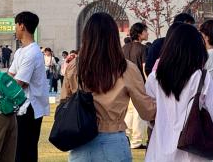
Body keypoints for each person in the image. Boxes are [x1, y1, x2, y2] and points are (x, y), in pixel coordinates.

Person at [61, 12, 156, 161]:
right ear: (113, 36)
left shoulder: (74, 67)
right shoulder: (125, 68)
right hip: (113, 140)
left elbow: (64, 103)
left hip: (80, 141)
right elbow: (147, 111)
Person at [145, 23, 213, 162]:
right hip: (194, 153)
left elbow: (148, 114)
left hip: (159, 152)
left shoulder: (153, 78)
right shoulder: (202, 78)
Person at [8, 11, 50, 162]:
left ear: (22, 26)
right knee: (18, 150)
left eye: (16, 26)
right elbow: (10, 75)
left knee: (25, 151)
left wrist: (3, 86)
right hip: (20, 106)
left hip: (29, 107)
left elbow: (19, 83)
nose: (15, 29)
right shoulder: (20, 51)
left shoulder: (33, 52)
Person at [124, 22, 149, 149]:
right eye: (145, 31)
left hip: (123, 83)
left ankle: (125, 136)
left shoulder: (124, 48)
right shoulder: (143, 49)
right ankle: (137, 141)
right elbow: (144, 68)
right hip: (138, 84)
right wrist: (148, 83)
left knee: (128, 111)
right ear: (140, 34)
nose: (147, 33)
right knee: (138, 112)